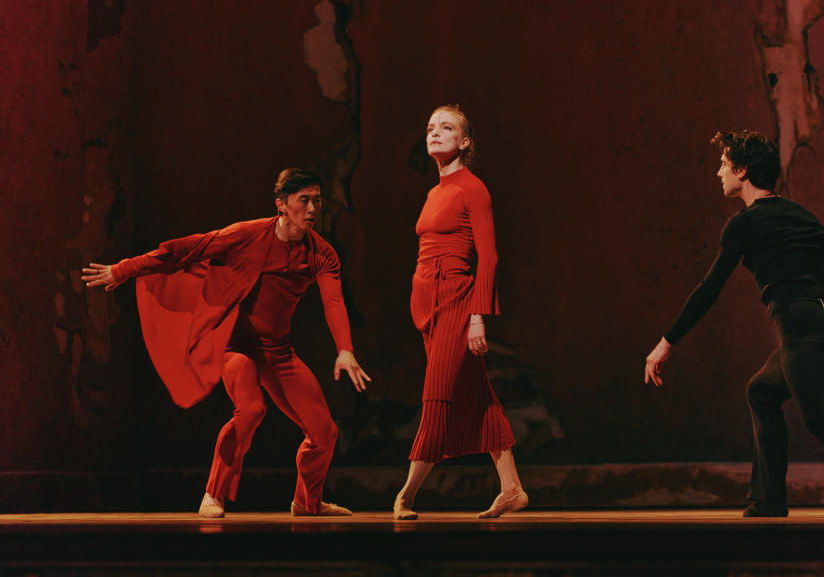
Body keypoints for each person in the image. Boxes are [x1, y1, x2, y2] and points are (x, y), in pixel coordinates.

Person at [644, 130, 824, 518]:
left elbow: (709, 289)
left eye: (723, 164)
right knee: (761, 392)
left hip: (800, 330)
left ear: (742, 170)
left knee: (820, 418)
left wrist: (667, 342)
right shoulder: (803, 215)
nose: (718, 172)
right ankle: (768, 499)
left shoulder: (744, 224)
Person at [82, 168, 371, 518]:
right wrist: (123, 269)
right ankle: (213, 494)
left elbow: (334, 301)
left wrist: (345, 349)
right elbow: (184, 250)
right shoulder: (247, 235)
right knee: (251, 410)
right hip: (236, 346)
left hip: (277, 352)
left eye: (317, 201)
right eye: (304, 201)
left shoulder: (322, 253)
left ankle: (307, 503)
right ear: (281, 204)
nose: (313, 208)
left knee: (324, 432)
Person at [393, 105, 527, 520]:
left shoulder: (474, 188)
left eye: (446, 128)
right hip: (428, 303)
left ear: (465, 142)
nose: (435, 133)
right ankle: (512, 489)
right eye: (431, 127)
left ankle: (406, 494)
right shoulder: (435, 191)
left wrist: (477, 316)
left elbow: (488, 256)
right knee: (478, 397)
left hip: (456, 301)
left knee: (437, 397)